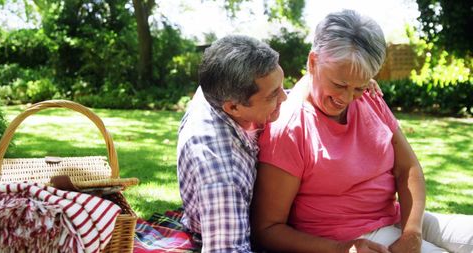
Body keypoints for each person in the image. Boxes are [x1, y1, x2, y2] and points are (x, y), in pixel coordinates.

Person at [251, 9, 473, 253]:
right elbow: (267, 230)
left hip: (398, 219)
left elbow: (408, 169)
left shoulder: (369, 98)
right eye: (339, 84)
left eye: (359, 86)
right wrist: (342, 249)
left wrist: (412, 233)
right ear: (313, 62)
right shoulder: (289, 128)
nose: (347, 98)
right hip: (352, 238)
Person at [176, 35, 288, 252]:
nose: (284, 97)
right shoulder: (223, 175)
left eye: (282, 86)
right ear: (233, 108)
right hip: (226, 229)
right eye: (273, 94)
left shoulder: (217, 86)